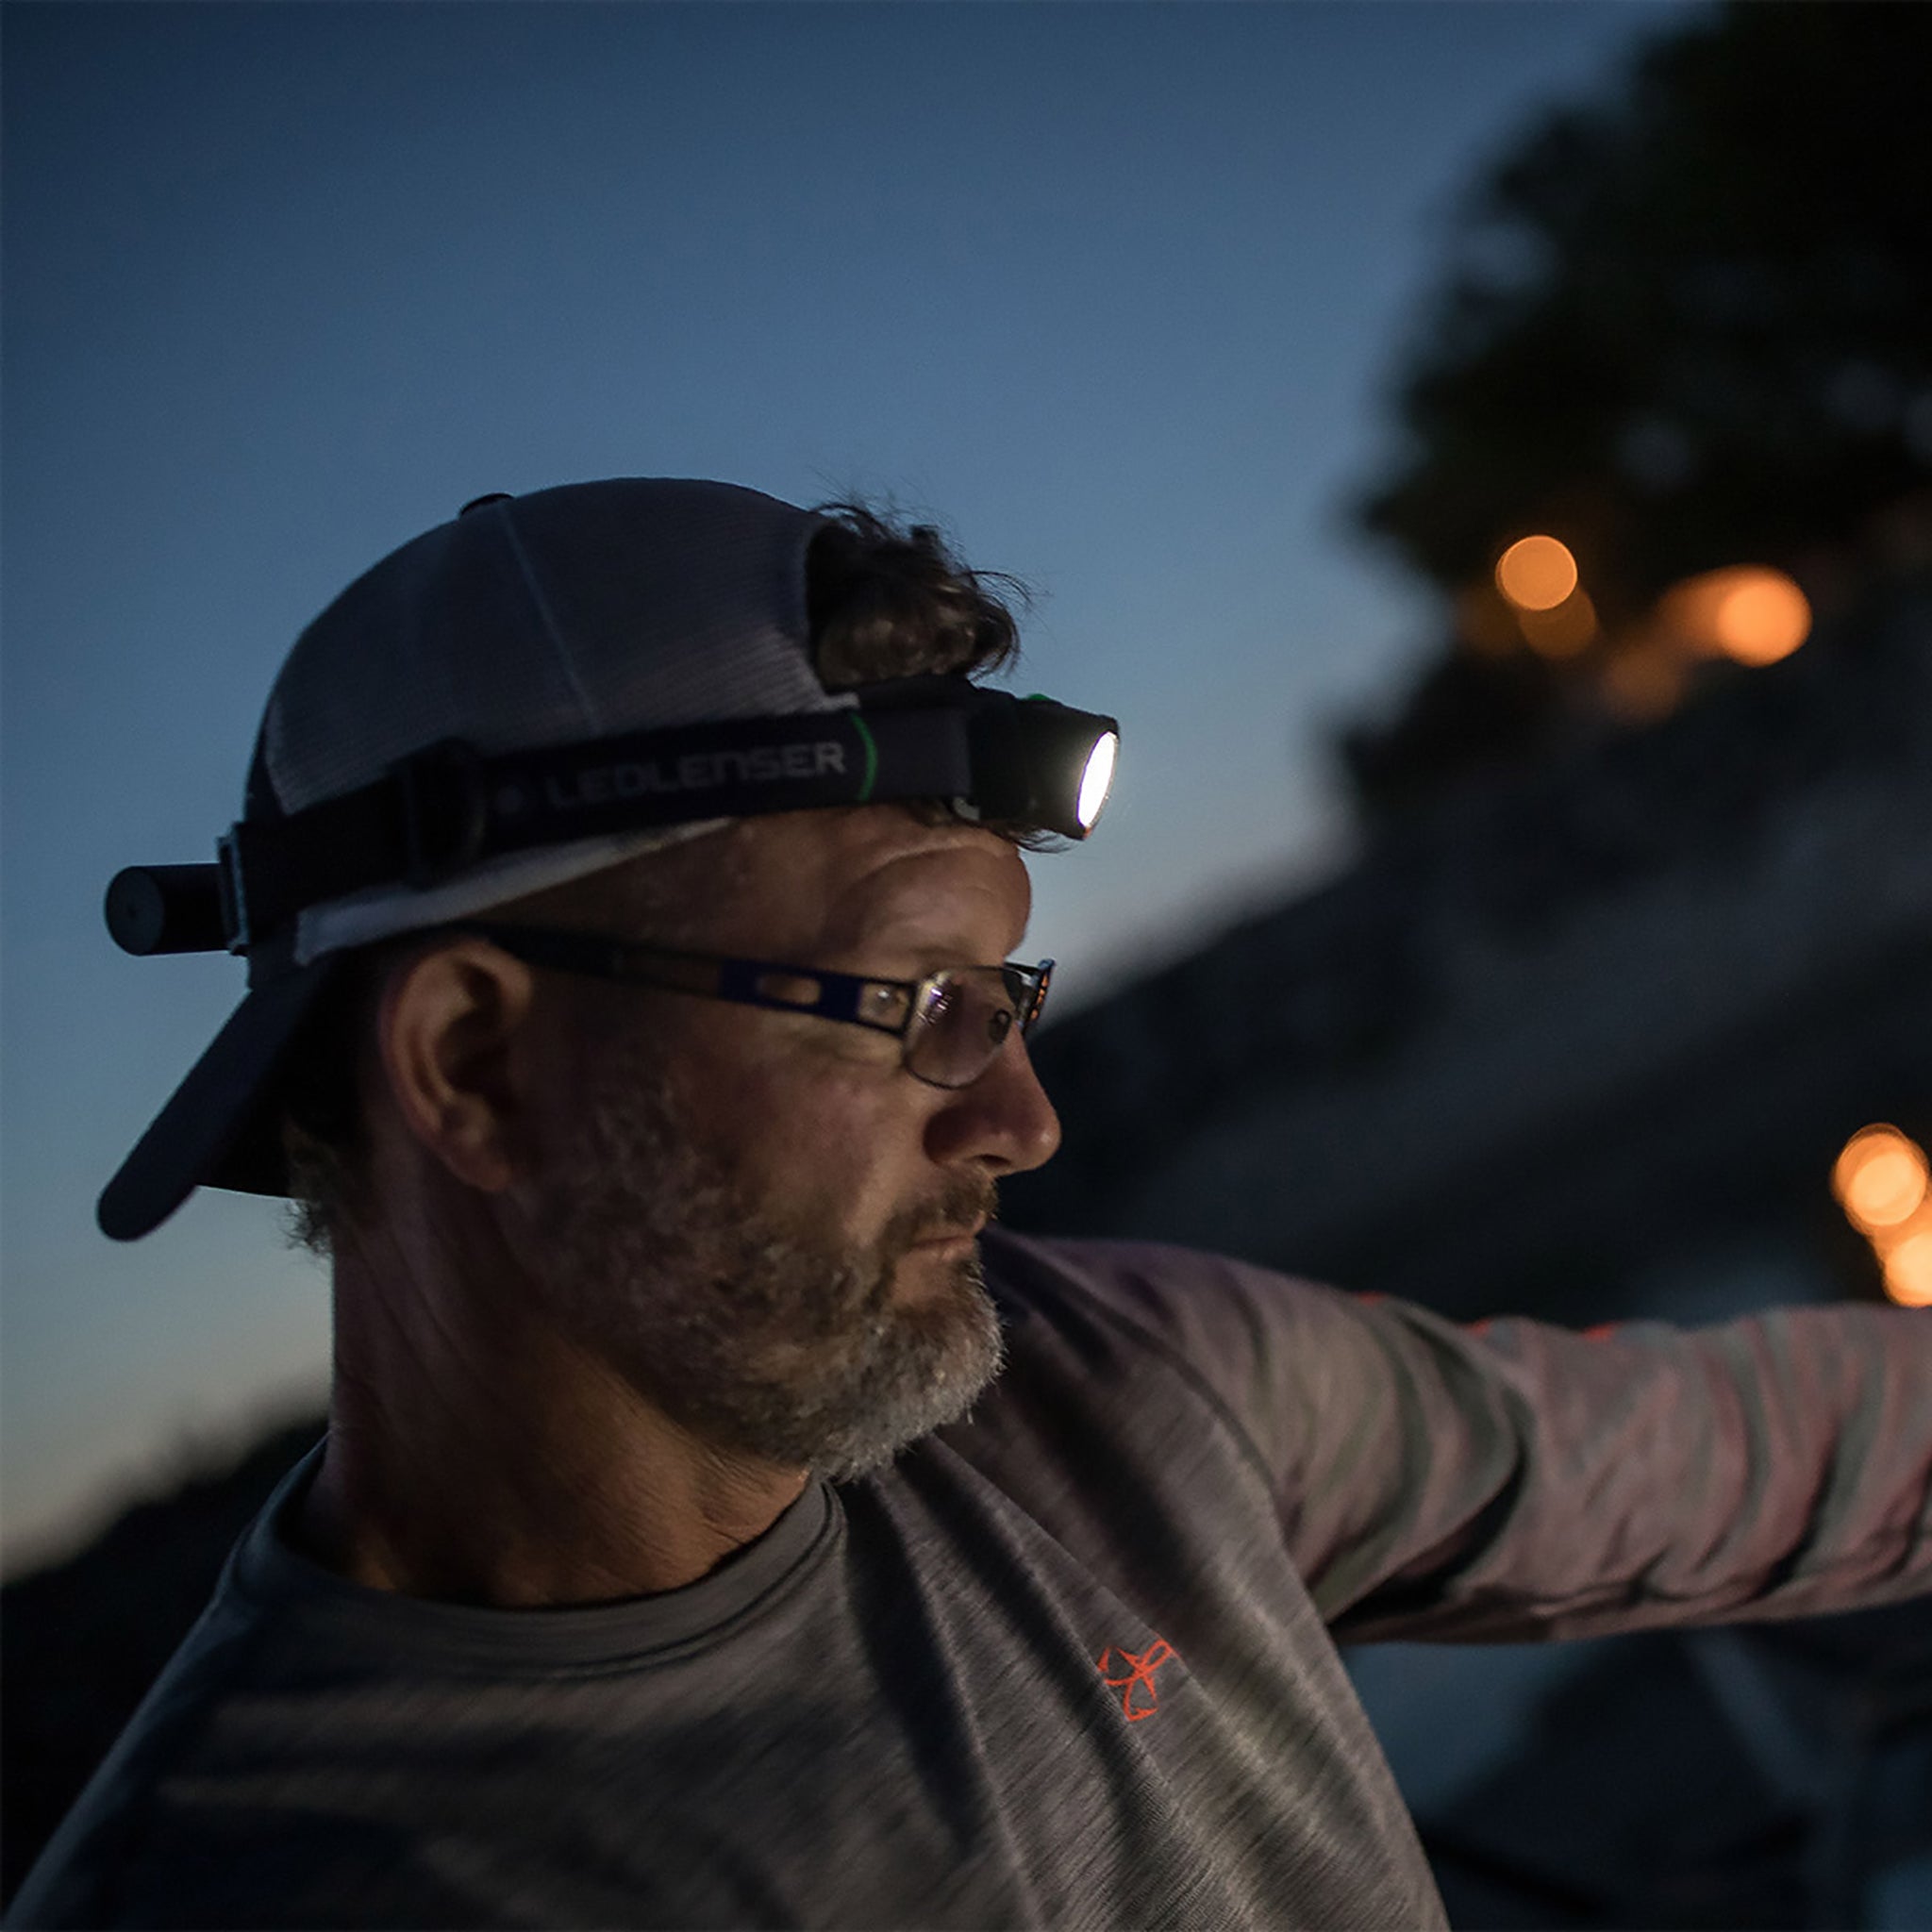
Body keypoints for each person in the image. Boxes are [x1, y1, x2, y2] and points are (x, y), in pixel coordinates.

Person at [10, 478, 1929, 1929]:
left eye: (1004, 1001)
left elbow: (1740, 1448)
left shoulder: (1121, 1401)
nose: (1019, 1118)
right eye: (910, 1003)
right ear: (473, 1066)